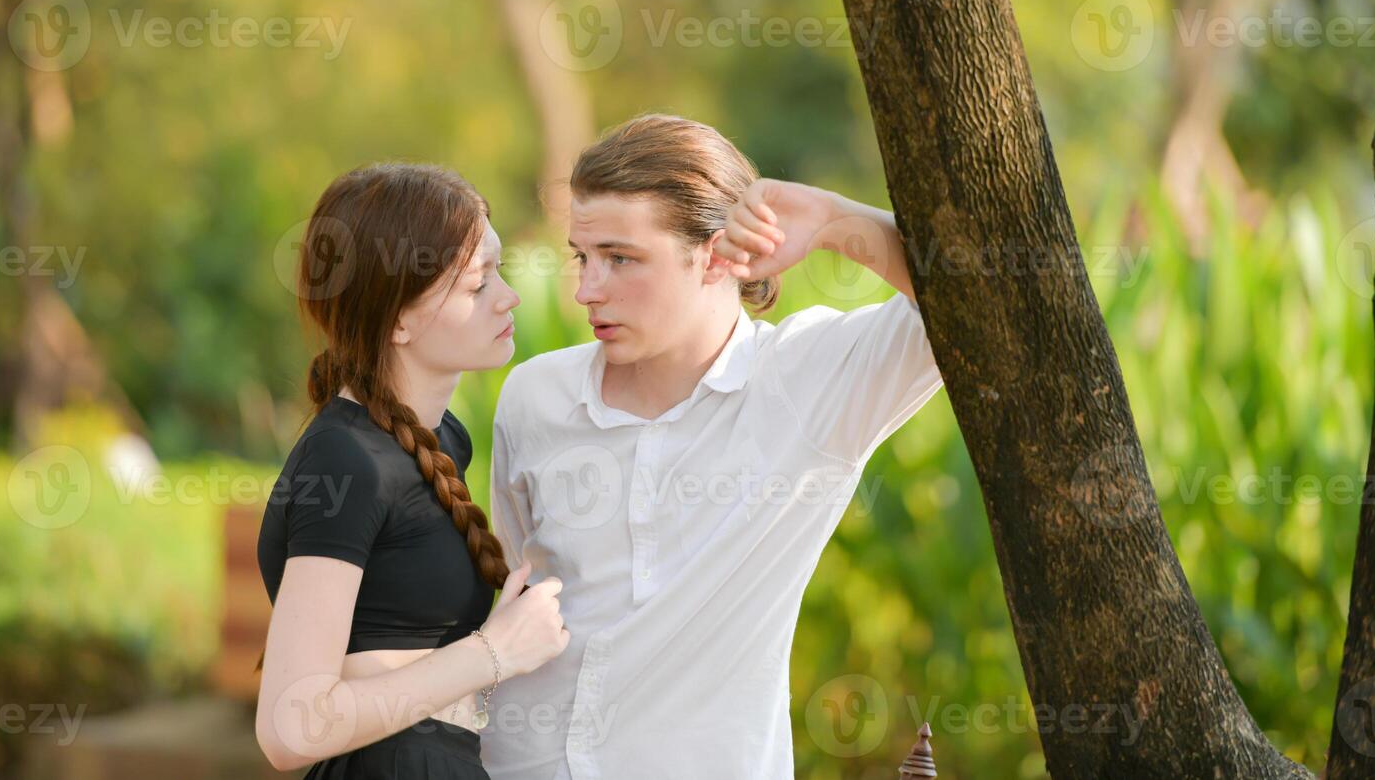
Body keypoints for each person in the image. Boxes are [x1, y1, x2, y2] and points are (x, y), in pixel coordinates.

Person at [481, 114, 945, 779]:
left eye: (621, 258)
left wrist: (835, 218)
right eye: (584, 257)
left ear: (718, 256)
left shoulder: (807, 384)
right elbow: (514, 593)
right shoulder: (534, 397)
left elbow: (985, 301)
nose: (586, 290)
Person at [255, 163, 570, 778]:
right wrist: (495, 651)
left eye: (498, 271)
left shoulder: (440, 438)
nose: (508, 296)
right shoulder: (345, 461)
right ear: (397, 318)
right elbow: (290, 727)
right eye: (478, 285)